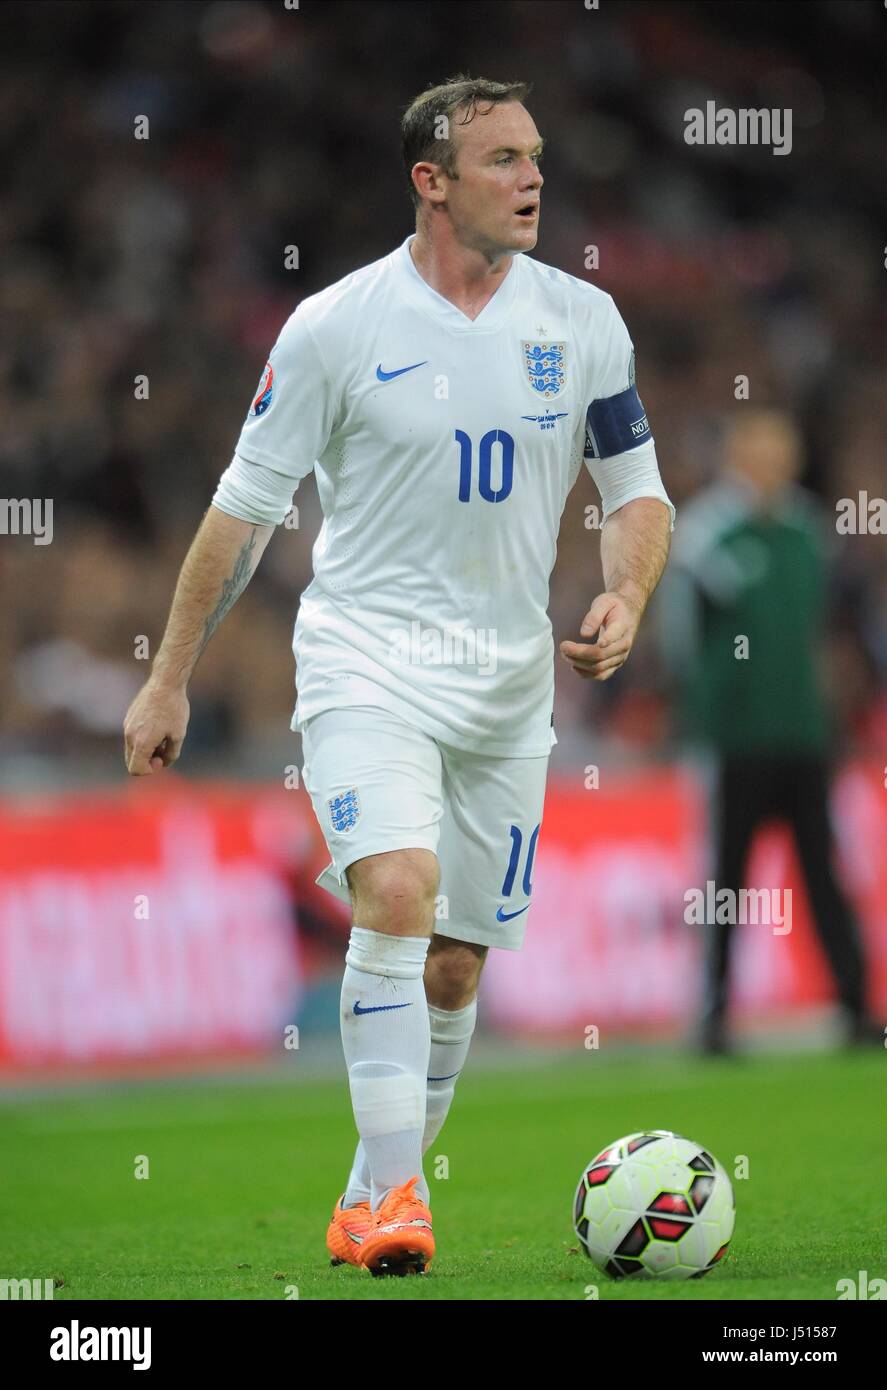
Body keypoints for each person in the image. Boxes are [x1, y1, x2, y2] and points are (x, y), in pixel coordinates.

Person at [123, 74, 674, 1276]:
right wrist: (168, 677)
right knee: (396, 889)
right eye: (501, 161)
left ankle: (371, 1190)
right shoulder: (335, 326)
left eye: (535, 156)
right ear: (429, 182)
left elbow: (634, 494)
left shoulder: (581, 320)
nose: (533, 179)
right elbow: (243, 512)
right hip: (366, 663)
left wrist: (625, 591)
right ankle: (398, 1203)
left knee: (454, 958)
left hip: (507, 687)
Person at [664, 407, 880, 1056]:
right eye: (757, 454)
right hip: (734, 739)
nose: (769, 466)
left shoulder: (806, 530)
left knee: (822, 871)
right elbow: (681, 642)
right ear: (735, 459)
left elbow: (824, 630)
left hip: (801, 734)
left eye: (778, 453)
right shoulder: (705, 536)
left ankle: (853, 1005)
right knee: (724, 880)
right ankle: (713, 1014)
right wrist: (703, 717)